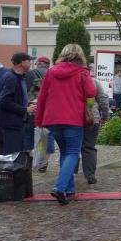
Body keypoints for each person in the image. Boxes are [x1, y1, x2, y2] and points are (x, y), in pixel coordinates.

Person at [35, 44, 97, 205]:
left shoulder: (51, 72)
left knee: (65, 153)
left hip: (53, 119)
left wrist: (39, 120)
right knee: (73, 153)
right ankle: (60, 187)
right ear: (80, 56)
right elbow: (91, 92)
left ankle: (69, 191)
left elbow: (42, 97)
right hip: (73, 118)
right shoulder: (82, 72)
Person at [0, 52, 36, 154]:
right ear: (22, 63)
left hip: (16, 124)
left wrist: (27, 103)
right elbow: (4, 102)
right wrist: (25, 109)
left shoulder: (18, 77)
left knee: (17, 155)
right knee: (12, 156)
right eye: (29, 61)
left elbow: (14, 98)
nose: (30, 63)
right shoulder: (11, 78)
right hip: (10, 125)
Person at [78, 74, 110, 185]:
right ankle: (90, 176)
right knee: (89, 147)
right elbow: (103, 100)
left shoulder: (69, 80)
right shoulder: (94, 82)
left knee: (72, 148)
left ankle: (70, 173)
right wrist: (105, 116)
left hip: (72, 119)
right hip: (92, 118)